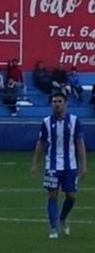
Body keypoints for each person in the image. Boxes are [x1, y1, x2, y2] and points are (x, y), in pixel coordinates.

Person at [30, 93, 87, 238]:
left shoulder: (74, 121)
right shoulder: (47, 122)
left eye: (59, 101)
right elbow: (41, 143)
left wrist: (83, 165)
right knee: (52, 195)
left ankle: (62, 218)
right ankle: (53, 228)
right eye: (54, 101)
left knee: (72, 195)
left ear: (65, 103)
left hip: (70, 165)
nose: (56, 104)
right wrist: (35, 164)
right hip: (53, 164)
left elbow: (80, 143)